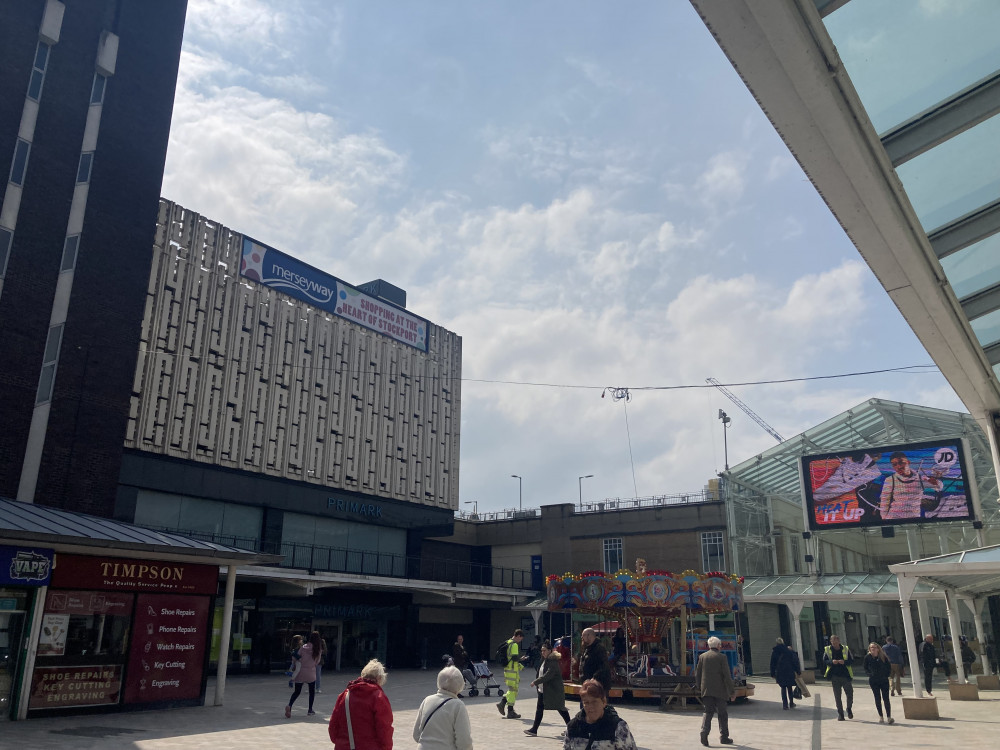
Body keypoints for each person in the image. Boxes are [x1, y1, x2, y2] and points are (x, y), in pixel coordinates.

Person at [329, 659, 394, 750]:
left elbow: (333, 726)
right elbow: (384, 729)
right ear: (379, 678)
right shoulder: (379, 697)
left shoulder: (345, 695)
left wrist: (342, 742)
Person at [563, 679, 637, 750]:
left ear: (604, 702)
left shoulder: (618, 727)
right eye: (586, 703)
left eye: (594, 702)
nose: (590, 707)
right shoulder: (572, 727)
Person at [412, 665, 472, 750]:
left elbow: (416, 735)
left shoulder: (427, 700)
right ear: (460, 685)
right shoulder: (458, 705)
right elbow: (464, 740)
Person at [695, 635, 735, 746]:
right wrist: (732, 691)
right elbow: (727, 675)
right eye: (720, 645)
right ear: (718, 646)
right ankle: (724, 737)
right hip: (720, 690)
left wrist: (699, 687)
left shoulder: (702, 656)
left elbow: (698, 674)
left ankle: (704, 731)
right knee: (722, 713)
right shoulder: (722, 657)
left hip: (706, 690)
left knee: (708, 712)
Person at [524, 641, 570, 737]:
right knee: (539, 709)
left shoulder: (552, 661)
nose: (542, 652)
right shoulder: (545, 660)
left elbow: (548, 675)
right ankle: (534, 729)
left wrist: (535, 682)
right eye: (541, 651)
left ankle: (571, 728)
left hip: (553, 691)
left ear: (550, 651)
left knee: (561, 709)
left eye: (544, 650)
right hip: (543, 690)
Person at [879, 452, 943, 520]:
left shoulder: (920, 479)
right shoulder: (890, 480)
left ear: (908, 462)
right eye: (894, 465)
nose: (898, 467)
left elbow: (939, 487)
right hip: (893, 518)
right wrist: (884, 519)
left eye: (901, 462)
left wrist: (936, 482)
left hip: (913, 519)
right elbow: (884, 502)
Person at [285, 631, 322, 718]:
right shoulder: (318, 649)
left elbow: (295, 657)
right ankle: (310, 710)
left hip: (301, 671)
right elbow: (317, 662)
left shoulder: (303, 647)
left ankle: (290, 705)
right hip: (311, 672)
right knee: (312, 692)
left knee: (297, 691)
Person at [823, 635, 854, 721]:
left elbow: (852, 660)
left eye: (836, 642)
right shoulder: (827, 649)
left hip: (845, 675)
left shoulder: (845, 648)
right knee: (837, 696)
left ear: (839, 641)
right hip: (834, 676)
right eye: (833, 642)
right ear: (831, 642)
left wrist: (844, 662)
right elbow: (824, 661)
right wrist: (831, 662)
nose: (835, 644)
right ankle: (841, 714)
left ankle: (849, 708)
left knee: (850, 693)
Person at [496, 628, 526, 719]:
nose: (520, 641)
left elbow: (510, 659)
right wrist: (521, 659)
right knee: (513, 690)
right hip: (512, 671)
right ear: (518, 636)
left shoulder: (508, 642)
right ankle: (509, 710)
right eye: (521, 639)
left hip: (508, 670)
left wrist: (519, 665)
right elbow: (514, 658)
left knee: (512, 690)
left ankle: (503, 704)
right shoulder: (514, 645)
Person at [863, 642, 894, 724]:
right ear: (869, 649)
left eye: (875, 647)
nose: (873, 649)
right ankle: (881, 716)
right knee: (877, 698)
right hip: (874, 680)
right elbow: (865, 668)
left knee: (886, 698)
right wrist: (869, 674)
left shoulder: (883, 657)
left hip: (883, 680)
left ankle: (889, 717)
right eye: (871, 647)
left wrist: (886, 675)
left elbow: (888, 667)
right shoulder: (867, 657)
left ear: (878, 648)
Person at [769, 637, 801, 709]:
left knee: (783, 687)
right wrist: (798, 671)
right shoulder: (788, 651)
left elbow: (772, 663)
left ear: (776, 643)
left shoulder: (775, 651)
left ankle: (785, 705)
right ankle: (791, 703)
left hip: (780, 672)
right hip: (789, 671)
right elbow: (794, 661)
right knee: (789, 687)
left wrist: (772, 673)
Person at [580, 627, 612, 697]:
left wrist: (593, 679)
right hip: (588, 684)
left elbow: (604, 666)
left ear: (589, 636)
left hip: (598, 685)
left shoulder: (599, 648)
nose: (582, 637)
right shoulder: (587, 648)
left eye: (583, 635)